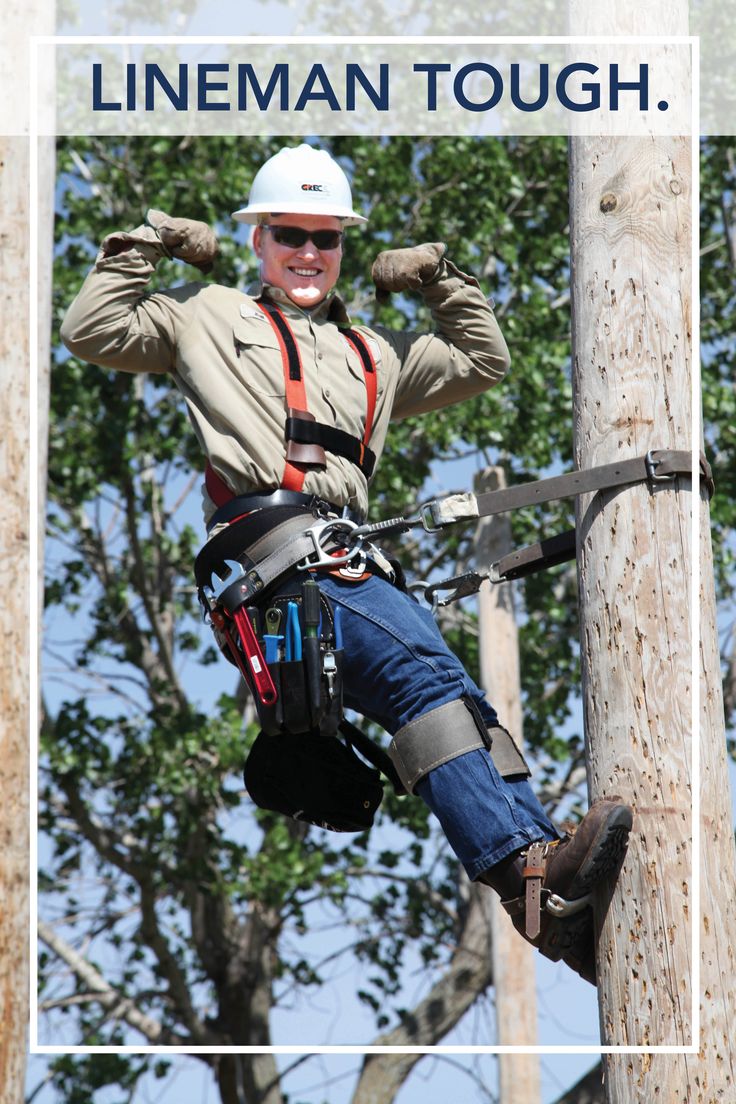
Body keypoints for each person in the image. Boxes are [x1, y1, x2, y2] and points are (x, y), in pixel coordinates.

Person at [61, 143, 632, 984]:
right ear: (258, 238)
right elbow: (91, 329)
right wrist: (149, 238)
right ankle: (530, 873)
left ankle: (545, 896)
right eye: (288, 232)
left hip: (343, 562)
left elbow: (484, 360)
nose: (306, 253)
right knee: (426, 680)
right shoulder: (206, 316)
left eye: (325, 238)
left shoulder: (376, 350)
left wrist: (440, 275)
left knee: (449, 703)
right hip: (279, 561)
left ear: (342, 249)